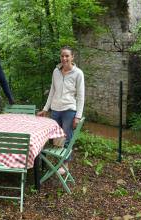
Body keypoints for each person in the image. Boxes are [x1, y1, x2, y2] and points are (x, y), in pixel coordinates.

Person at [37, 46, 85, 174]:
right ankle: (57, 162)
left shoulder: (78, 73)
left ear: (72, 57)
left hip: (69, 110)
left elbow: (81, 96)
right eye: (62, 56)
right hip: (55, 110)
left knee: (67, 137)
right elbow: (52, 91)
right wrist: (45, 109)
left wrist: (78, 116)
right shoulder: (56, 72)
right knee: (56, 138)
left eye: (67, 56)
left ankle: (65, 165)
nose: (64, 58)